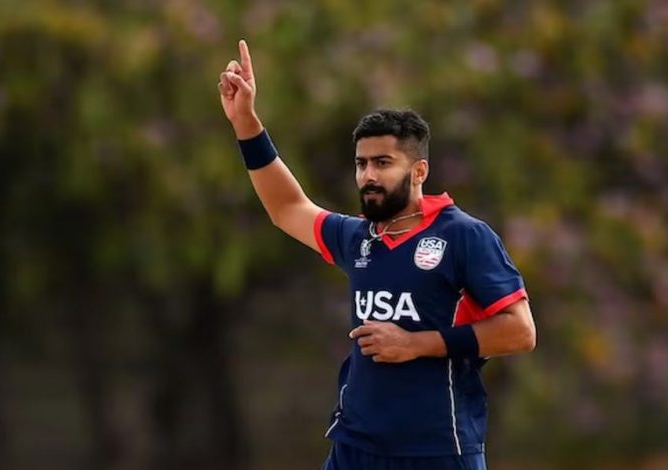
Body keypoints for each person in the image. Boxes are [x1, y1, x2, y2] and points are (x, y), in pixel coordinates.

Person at [218, 40, 536, 470]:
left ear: (419, 171)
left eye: (383, 163)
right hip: (356, 446)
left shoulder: (464, 236)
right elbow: (287, 208)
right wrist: (246, 123)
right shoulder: (359, 238)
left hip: (437, 450)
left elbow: (520, 332)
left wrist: (416, 344)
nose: (368, 175)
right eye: (361, 164)